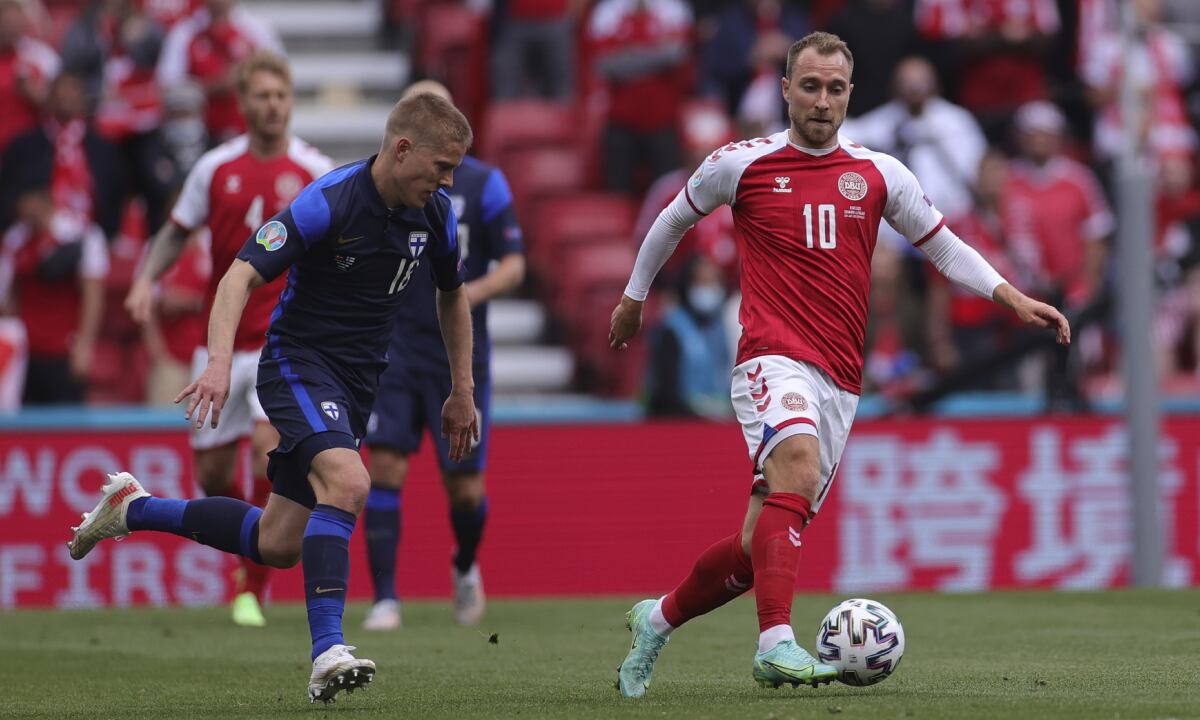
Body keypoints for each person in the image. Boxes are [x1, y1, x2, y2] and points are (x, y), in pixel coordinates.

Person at [607, 31, 1070, 697]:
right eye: (810, 86)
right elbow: (672, 221)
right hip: (770, 357)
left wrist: (1012, 296)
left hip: (840, 378)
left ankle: (656, 619)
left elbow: (942, 246)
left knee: (752, 549)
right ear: (786, 89)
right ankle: (777, 645)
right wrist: (633, 298)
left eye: (835, 88)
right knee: (795, 465)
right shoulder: (742, 163)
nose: (822, 100)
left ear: (850, 94)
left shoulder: (880, 173)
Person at [69, 91, 478, 704]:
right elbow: (239, 275)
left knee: (277, 543)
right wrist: (218, 360)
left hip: (355, 384)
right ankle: (326, 651)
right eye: (442, 167)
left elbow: (452, 294)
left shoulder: (435, 214)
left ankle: (134, 508)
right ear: (402, 149)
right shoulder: (327, 202)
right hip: (296, 366)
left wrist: (462, 387)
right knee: (349, 483)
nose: (448, 181)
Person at [124, 51, 333, 627]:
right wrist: (146, 278)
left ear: (290, 102)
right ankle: (253, 550)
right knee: (215, 475)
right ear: (242, 103)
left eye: (280, 96)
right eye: (261, 96)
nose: (272, 106)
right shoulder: (215, 168)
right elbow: (175, 232)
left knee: (271, 450)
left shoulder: (315, 169)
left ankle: (252, 586)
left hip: (282, 345)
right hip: (220, 343)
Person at [360, 80, 525, 631]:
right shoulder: (385, 185)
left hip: (459, 353)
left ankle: (464, 562)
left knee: (464, 486)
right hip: (394, 346)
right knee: (383, 466)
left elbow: (514, 264)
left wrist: (460, 294)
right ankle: (386, 597)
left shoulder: (482, 183)